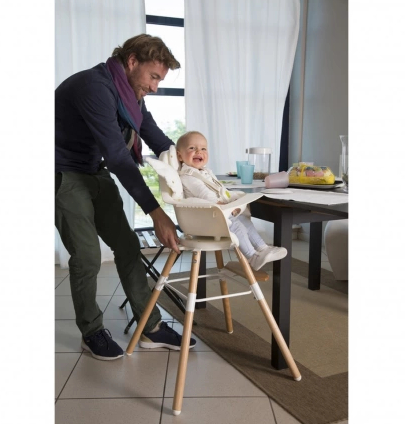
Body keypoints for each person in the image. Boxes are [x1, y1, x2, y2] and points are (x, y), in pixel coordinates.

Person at [55, 34, 196, 361]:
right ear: (132, 61)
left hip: (94, 171)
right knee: (88, 256)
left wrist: (192, 162)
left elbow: (155, 136)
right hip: (62, 173)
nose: (155, 87)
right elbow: (119, 157)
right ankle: (91, 331)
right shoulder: (95, 87)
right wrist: (156, 213)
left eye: (160, 80)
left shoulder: (129, 94)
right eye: (154, 77)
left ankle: (150, 327)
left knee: (128, 246)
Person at [176, 131, 287, 270]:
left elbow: (217, 188)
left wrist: (231, 200)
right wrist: (225, 205)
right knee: (237, 226)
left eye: (203, 148)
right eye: (192, 148)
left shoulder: (204, 172)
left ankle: (263, 248)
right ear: (179, 155)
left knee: (244, 220)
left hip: (215, 212)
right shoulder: (188, 176)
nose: (199, 151)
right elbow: (204, 193)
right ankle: (253, 257)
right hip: (205, 218)